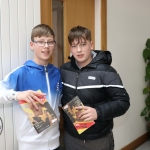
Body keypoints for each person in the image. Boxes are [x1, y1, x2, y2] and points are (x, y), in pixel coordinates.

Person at [60, 26, 130, 150]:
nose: (79, 50)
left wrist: (97, 112)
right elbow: (60, 96)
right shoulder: (64, 70)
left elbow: (123, 103)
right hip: (71, 137)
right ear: (70, 48)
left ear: (91, 44)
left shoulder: (107, 72)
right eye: (74, 46)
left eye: (83, 44)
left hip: (98, 139)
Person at [0, 24, 62, 150]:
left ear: (54, 45)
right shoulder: (22, 72)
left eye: (49, 42)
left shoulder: (57, 73)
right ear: (32, 45)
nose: (46, 46)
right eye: (41, 42)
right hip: (30, 145)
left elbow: (59, 102)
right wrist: (18, 95)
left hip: (56, 143)